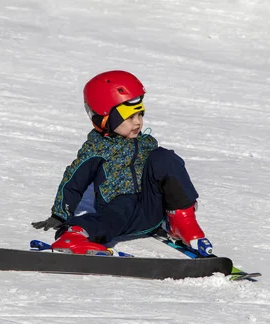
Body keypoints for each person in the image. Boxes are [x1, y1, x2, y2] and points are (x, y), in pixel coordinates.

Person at [32, 70, 212, 256]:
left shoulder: (146, 143)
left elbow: (168, 176)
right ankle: (74, 236)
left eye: (140, 115)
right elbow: (73, 181)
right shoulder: (97, 149)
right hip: (120, 212)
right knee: (113, 213)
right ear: (105, 119)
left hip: (152, 209)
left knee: (165, 158)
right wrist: (59, 214)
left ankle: (182, 222)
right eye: (129, 117)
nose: (138, 123)